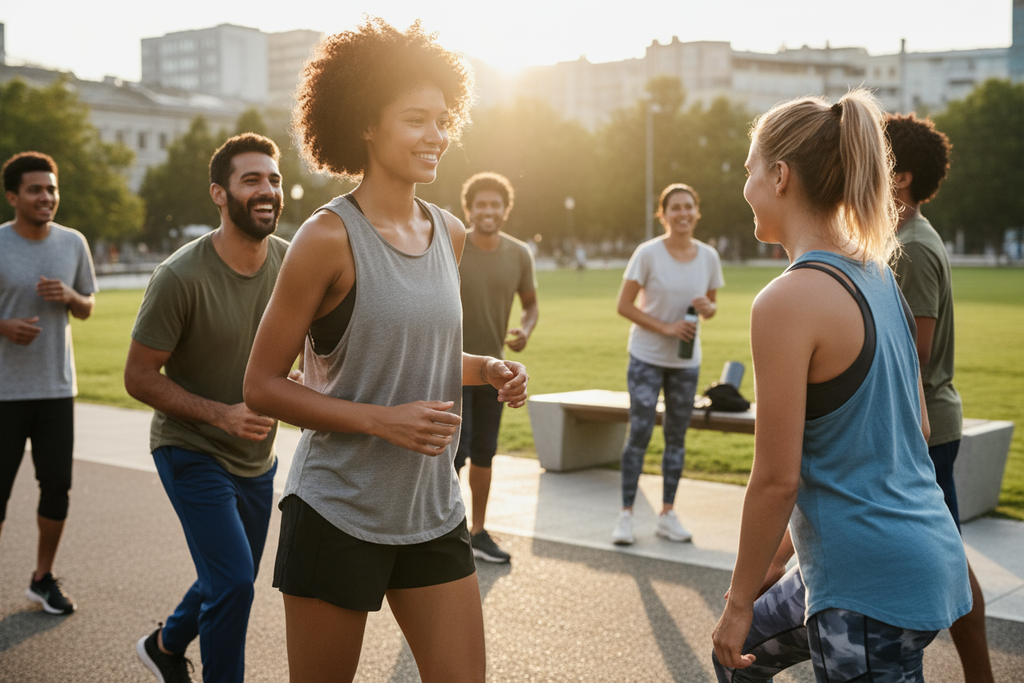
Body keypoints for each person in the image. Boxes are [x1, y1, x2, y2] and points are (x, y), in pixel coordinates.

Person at [242, 18, 528, 683]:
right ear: (367, 125)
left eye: (442, 119)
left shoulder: (448, 232)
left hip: (431, 512)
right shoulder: (326, 238)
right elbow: (260, 384)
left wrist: (486, 368)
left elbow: (411, 355)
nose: (437, 136)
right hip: (337, 507)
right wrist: (380, 419)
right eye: (416, 119)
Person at [711, 90, 971, 681]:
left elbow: (777, 480)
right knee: (741, 654)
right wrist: (781, 559)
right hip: (925, 551)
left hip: (868, 585)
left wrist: (736, 600)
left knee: (736, 633)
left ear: (779, 176)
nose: (745, 186)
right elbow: (920, 426)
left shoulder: (787, 299)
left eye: (748, 170)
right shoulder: (877, 273)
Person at [124, 133, 290, 683]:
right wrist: (220, 414)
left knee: (227, 574)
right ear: (219, 194)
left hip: (256, 458)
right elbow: (138, 376)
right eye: (251, 180)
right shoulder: (179, 276)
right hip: (190, 447)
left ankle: (166, 644)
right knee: (236, 581)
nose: (267, 190)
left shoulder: (292, 264)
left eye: (274, 179)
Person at [887, 112, 995, 683]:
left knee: (946, 563)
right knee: (943, 559)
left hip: (925, 429)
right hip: (921, 426)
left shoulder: (913, 248)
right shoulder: (900, 240)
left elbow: (913, 357)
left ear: (899, 178)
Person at [0, 151, 96, 616]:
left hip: (57, 389)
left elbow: (87, 306)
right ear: (13, 196)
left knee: (56, 487)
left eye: (52, 189)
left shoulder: (73, 242)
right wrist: (4, 326)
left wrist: (72, 295)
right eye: (36, 189)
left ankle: (42, 578)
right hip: (4, 392)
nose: (47, 197)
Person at [612, 183, 723, 546]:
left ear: (697, 211)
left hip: (685, 363)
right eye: (674, 208)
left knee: (676, 439)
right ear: (663, 215)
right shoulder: (647, 254)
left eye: (688, 207)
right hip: (646, 357)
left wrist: (708, 310)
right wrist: (666, 327)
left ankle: (667, 514)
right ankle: (626, 515)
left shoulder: (708, 257)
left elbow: (710, 305)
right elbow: (624, 305)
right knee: (640, 432)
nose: (683, 213)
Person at [455, 171, 538, 564]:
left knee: (485, 452)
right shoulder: (454, 247)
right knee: (452, 453)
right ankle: (442, 530)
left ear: (506, 210)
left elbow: (531, 304)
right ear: (468, 209)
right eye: (481, 204)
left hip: (495, 372)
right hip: (450, 368)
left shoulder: (519, 253)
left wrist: (526, 328)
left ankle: (478, 532)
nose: (488, 211)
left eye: (495, 204)